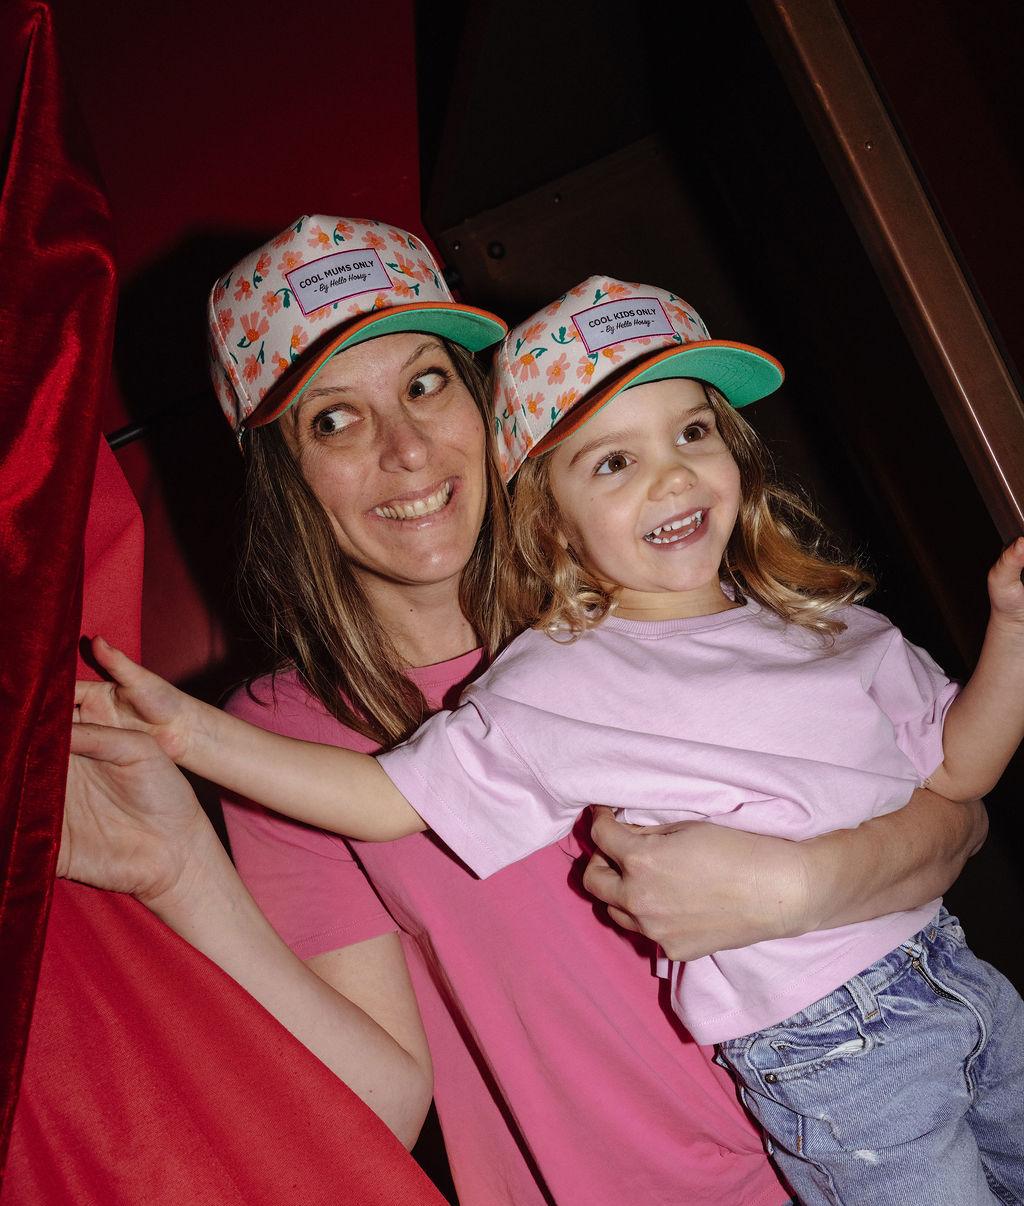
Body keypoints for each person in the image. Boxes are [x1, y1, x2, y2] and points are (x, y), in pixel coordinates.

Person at [67, 233, 987, 1205]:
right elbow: (380, 1105)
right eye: (334, 419)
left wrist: (796, 887)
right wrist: (179, 869)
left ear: (492, 405)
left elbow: (956, 820)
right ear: (285, 476)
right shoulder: (281, 740)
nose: (406, 450)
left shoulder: (659, 604)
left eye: (426, 385)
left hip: (908, 1134)